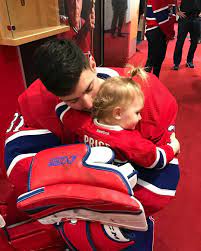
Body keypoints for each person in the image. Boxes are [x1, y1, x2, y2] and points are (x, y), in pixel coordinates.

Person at [4, 38, 180, 250]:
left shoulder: (146, 93)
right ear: (54, 95)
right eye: (71, 100)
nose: (87, 104)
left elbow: (161, 174)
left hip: (124, 217)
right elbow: (20, 165)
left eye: (89, 88)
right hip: (77, 222)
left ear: (93, 63)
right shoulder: (38, 99)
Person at [64, 68, 180, 170]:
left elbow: (62, 112)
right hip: (115, 182)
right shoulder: (130, 141)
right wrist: (173, 147)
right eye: (137, 112)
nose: (140, 118)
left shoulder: (84, 125)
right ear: (118, 113)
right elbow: (157, 160)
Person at [144, 0, 176, 77]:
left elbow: (170, 12)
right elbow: (161, 17)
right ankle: (153, 82)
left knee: (153, 57)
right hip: (157, 29)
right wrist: (169, 33)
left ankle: (149, 80)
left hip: (156, 30)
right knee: (157, 59)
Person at [173, 0, 201, 70]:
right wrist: (177, 11)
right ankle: (176, 63)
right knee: (180, 42)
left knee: (194, 42)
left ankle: (189, 61)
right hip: (184, 17)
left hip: (196, 18)